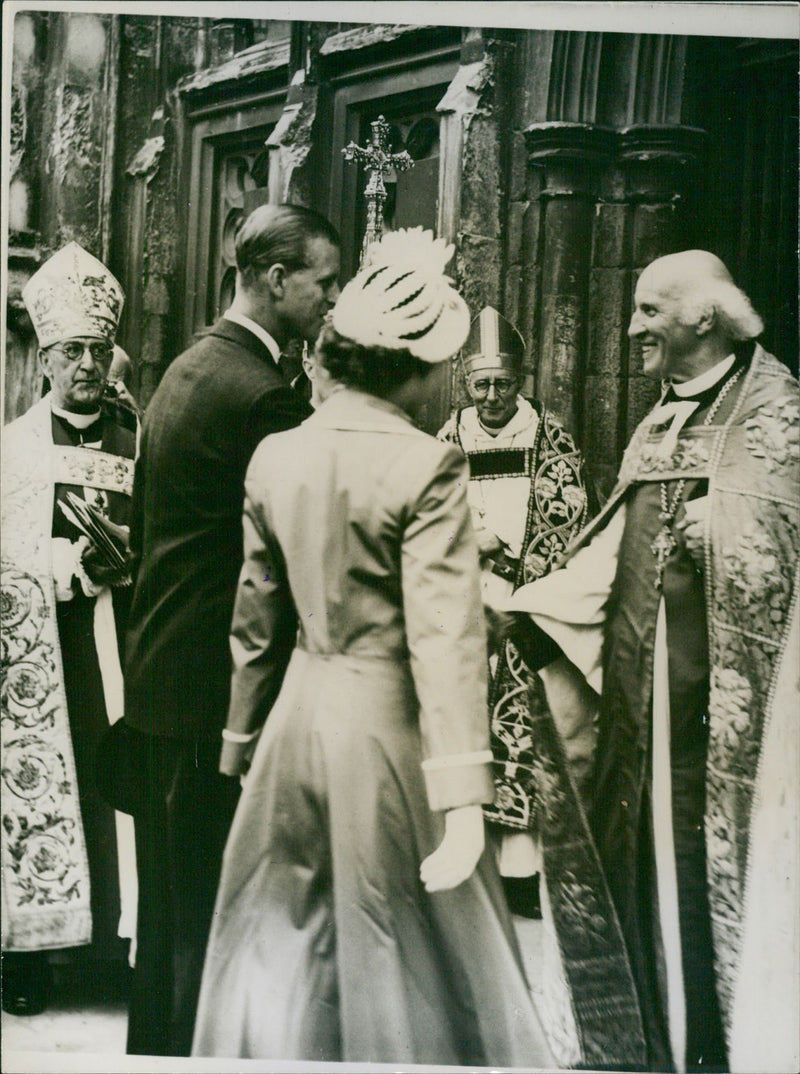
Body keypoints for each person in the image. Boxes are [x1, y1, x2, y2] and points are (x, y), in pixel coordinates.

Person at [191, 228, 554, 1068]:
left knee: (294, 936)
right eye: (438, 367)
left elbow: (257, 615)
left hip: (293, 724)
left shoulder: (278, 455)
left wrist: (240, 740)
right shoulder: (428, 464)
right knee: (398, 946)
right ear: (415, 370)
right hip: (389, 731)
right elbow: (443, 637)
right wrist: (465, 795)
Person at [504, 250, 799, 1072]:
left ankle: (716, 1043)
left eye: (646, 311)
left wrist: (725, 539)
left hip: (728, 733)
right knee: (642, 864)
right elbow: (612, 553)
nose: (631, 328)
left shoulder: (779, 420)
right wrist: (531, 609)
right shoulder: (658, 422)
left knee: (707, 879)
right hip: (642, 714)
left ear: (703, 318)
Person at [120, 203, 341, 1056]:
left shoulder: (189, 366)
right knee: (211, 912)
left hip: (161, 672)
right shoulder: (261, 396)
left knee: (172, 908)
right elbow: (290, 557)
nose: (329, 300)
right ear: (277, 279)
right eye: (322, 282)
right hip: (213, 683)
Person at [1, 243, 137, 1015]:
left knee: (120, 787)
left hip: (121, 646)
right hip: (46, 657)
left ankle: (116, 945)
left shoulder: (137, 441)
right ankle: (31, 955)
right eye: (71, 351)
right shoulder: (14, 450)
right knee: (51, 787)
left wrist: (127, 557)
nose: (87, 364)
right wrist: (61, 557)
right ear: (45, 359)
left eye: (97, 350)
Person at [437, 307, 591, 922]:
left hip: (526, 605)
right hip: (463, 605)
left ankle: (522, 874)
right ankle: (469, 875)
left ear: (520, 379)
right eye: (482, 384)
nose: (493, 395)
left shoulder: (550, 435)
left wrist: (517, 573)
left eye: (504, 382)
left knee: (524, 736)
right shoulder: (449, 440)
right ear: (465, 383)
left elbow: (568, 511)